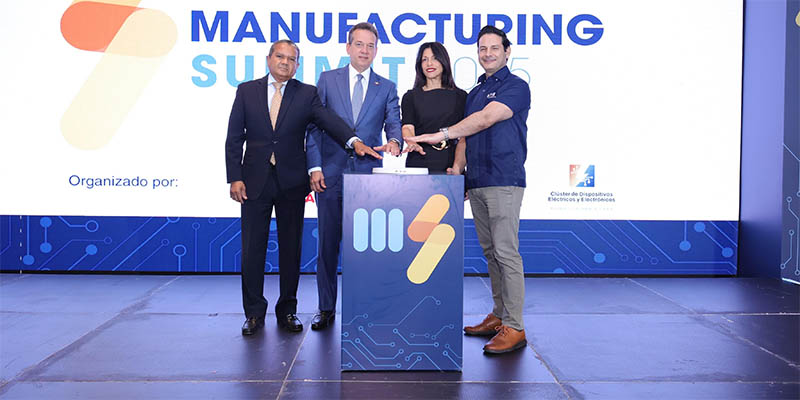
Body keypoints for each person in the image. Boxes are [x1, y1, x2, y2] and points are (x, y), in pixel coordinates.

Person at [225, 39, 381, 336]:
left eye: (291, 59)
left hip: (292, 183)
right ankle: (254, 313)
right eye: (280, 57)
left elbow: (329, 121)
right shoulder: (246, 91)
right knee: (252, 250)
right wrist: (235, 177)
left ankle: (288, 311)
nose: (285, 62)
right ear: (269, 59)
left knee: (291, 249)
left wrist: (354, 141)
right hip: (254, 182)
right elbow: (234, 137)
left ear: (297, 65)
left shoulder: (307, 93)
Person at [406, 25, 531, 354]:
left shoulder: (516, 87)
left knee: (506, 253)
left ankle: (515, 326)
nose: (488, 54)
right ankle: (499, 315)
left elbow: (486, 119)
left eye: (494, 48)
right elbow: (465, 138)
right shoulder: (475, 92)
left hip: (503, 179)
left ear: (507, 52)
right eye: (482, 49)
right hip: (476, 181)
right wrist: (457, 169)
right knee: (491, 253)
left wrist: (441, 134)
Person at [306, 22, 403, 330]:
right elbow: (313, 126)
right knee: (328, 245)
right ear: (348, 48)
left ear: (376, 50)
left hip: (368, 178)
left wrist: (395, 141)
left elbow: (394, 122)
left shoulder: (386, 87)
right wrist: (315, 166)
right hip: (330, 174)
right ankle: (326, 308)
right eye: (359, 44)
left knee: (365, 248)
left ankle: (364, 309)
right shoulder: (327, 80)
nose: (364, 50)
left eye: (370, 46)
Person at [401, 42, 467, 173]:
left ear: (444, 61)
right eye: (424, 60)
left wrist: (457, 167)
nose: (429, 63)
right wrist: (412, 142)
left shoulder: (461, 96)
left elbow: (464, 135)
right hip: (419, 160)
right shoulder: (410, 97)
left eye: (434, 58)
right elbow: (408, 127)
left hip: (451, 162)